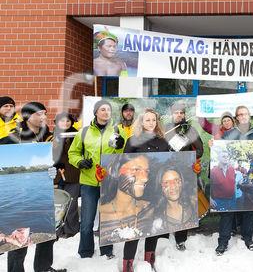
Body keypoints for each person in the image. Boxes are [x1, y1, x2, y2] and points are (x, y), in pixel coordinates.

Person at [3, 101, 66, 272]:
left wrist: (55, 168)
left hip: (43, 193)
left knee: (47, 236)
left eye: (44, 113)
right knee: (20, 238)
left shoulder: (49, 137)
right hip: (20, 198)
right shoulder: (13, 138)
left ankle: (43, 268)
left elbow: (57, 160)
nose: (43, 117)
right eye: (38, 114)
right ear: (27, 117)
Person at [68, 100, 126, 259]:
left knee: (107, 219)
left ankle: (107, 251)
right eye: (102, 109)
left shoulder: (117, 130)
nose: (106, 112)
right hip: (89, 182)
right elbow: (73, 153)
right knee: (87, 221)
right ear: (96, 112)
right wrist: (80, 162)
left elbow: (123, 154)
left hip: (109, 181)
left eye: (108, 110)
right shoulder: (84, 132)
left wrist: (121, 145)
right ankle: (86, 252)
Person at [121, 108, 170, 272]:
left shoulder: (163, 141)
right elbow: (124, 164)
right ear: (141, 122)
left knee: (153, 225)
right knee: (134, 227)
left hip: (156, 190)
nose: (151, 123)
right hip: (137, 190)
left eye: (153, 120)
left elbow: (169, 163)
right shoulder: (133, 140)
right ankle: (127, 263)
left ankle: (150, 258)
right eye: (147, 120)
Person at [215, 105, 253, 255]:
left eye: (245, 114)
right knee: (227, 213)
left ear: (249, 116)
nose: (243, 117)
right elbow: (220, 149)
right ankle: (223, 242)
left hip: (248, 179)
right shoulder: (229, 135)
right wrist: (213, 145)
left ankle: (248, 238)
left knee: (248, 211)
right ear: (236, 118)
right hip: (230, 180)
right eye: (240, 115)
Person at [164, 102, 204, 251]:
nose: (179, 115)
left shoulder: (190, 129)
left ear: (185, 115)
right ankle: (164, 236)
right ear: (172, 114)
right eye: (176, 112)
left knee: (183, 205)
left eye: (181, 112)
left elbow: (200, 150)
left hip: (184, 174)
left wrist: (185, 154)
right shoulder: (165, 129)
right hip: (166, 173)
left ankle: (181, 239)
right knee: (165, 204)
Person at [52, 112, 80, 238]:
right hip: (56, 176)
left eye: (68, 121)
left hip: (73, 175)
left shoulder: (77, 135)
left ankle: (71, 230)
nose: (65, 123)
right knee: (57, 206)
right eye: (62, 121)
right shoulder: (51, 136)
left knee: (71, 205)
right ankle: (56, 230)